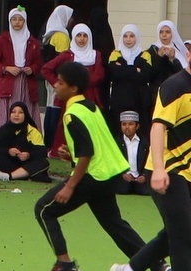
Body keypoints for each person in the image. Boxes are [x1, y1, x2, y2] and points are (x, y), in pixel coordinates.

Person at [33, 62, 158, 271]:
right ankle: (156, 264)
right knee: (114, 223)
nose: (56, 85)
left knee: (44, 210)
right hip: (108, 175)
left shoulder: (72, 115)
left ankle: (65, 265)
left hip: (92, 176)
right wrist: (69, 155)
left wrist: (70, 185)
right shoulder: (91, 107)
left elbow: (87, 152)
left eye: (60, 82)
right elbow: (92, 145)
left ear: (73, 89)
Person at [110, 46, 191, 271]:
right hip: (168, 169)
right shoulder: (175, 86)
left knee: (176, 230)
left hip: (188, 171)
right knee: (183, 233)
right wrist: (158, 169)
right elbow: (157, 127)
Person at [42, 24, 105, 159]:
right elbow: (46, 69)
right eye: (78, 36)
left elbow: (99, 75)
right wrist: (58, 84)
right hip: (72, 97)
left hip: (90, 97)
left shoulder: (96, 55)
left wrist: (82, 81)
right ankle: (63, 152)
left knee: (89, 125)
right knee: (69, 124)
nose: (82, 39)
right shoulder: (67, 55)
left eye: (85, 36)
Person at [0, 6, 42, 133]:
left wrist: (32, 69)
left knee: (26, 112)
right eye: (14, 19)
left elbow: (39, 62)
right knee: (6, 114)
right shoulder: (2, 40)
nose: (17, 22)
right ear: (10, 21)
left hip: (26, 84)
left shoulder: (32, 42)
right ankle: (3, 145)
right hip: (7, 83)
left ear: (25, 22)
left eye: (20, 20)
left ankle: (28, 144)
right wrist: (6, 68)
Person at [0, 101, 50, 183]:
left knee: (43, 163)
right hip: (9, 163)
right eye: (13, 112)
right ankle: (22, 175)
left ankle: (8, 176)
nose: (16, 115)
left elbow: (41, 151)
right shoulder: (3, 130)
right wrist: (8, 151)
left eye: (20, 112)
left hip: (26, 164)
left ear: (25, 115)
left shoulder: (32, 131)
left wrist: (28, 155)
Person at [107, 24, 152, 137]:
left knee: (141, 133)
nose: (128, 39)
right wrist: (135, 69)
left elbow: (145, 76)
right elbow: (113, 73)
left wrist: (123, 68)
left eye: (132, 36)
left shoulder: (145, 55)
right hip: (119, 101)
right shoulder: (115, 54)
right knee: (118, 133)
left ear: (137, 37)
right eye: (125, 36)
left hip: (139, 101)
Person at [41, 5, 74, 151]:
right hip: (57, 80)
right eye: (70, 16)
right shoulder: (62, 36)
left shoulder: (50, 34)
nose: (72, 20)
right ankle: (52, 143)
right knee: (55, 109)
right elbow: (62, 61)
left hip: (50, 79)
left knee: (49, 108)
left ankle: (47, 141)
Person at [147, 20, 187, 107]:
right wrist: (159, 57)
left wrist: (172, 59)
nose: (164, 35)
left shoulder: (178, 49)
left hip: (177, 92)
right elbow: (150, 75)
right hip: (157, 94)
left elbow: (183, 72)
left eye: (167, 32)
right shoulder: (152, 51)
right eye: (161, 32)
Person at [114, 111, 150, 196]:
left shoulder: (144, 142)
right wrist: (122, 174)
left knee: (146, 191)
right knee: (122, 190)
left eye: (130, 124)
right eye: (124, 124)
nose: (127, 127)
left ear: (137, 126)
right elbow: (113, 160)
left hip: (139, 177)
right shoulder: (116, 142)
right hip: (124, 177)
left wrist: (145, 175)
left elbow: (150, 160)